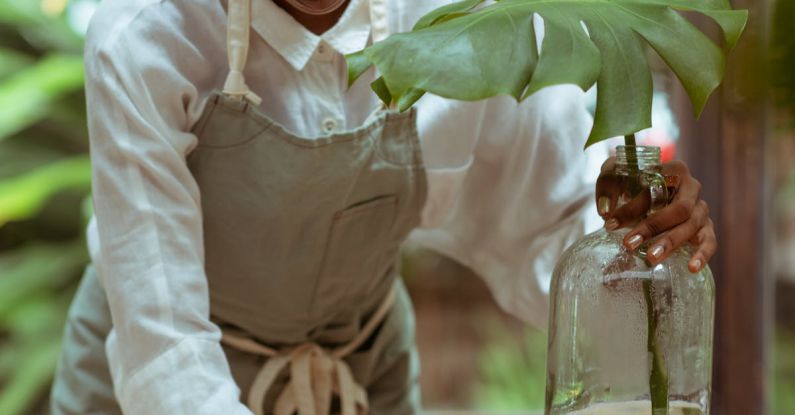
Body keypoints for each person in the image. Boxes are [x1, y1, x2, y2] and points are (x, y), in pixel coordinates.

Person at [49, 0, 716, 413]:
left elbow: (553, 231)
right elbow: (163, 349)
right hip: (150, 384)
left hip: (362, 371)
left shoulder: (469, 15)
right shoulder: (144, 31)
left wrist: (633, 240)